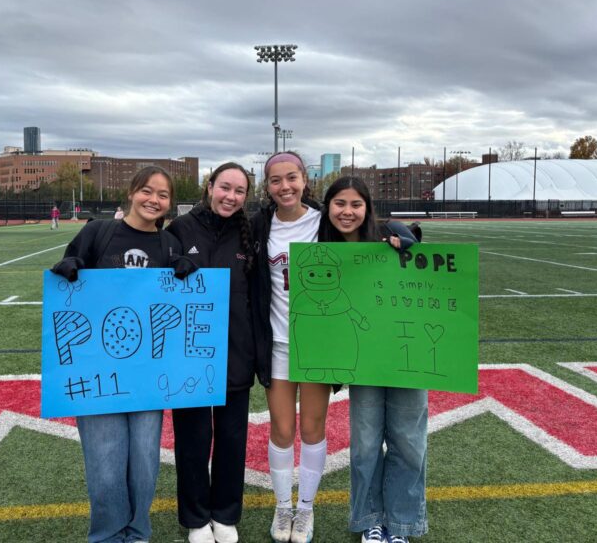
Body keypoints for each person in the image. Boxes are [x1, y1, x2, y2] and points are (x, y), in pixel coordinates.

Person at [50, 166, 195, 543]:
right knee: (104, 464)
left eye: (163, 195)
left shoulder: (168, 245)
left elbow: (174, 309)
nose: (154, 200)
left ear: (169, 203)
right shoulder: (98, 231)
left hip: (146, 374)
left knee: (145, 464)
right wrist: (70, 267)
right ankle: (107, 536)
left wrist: (186, 273)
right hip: (97, 371)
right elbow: (69, 273)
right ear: (132, 192)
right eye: (148, 191)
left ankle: (137, 532)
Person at [318, 176, 427, 543]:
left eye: (355, 204)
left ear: (367, 208)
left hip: (405, 355)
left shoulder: (388, 233)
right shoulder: (323, 248)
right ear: (328, 207)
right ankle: (369, 520)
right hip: (364, 362)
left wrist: (407, 249)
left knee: (409, 443)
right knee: (365, 445)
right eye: (339, 204)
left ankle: (401, 524)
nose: (347, 212)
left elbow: (425, 266)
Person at [166, 162, 255, 543]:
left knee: (233, 440)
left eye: (239, 191)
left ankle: (225, 513)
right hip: (190, 356)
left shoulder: (251, 231)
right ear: (210, 186)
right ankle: (196, 518)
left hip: (237, 351)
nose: (230, 197)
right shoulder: (180, 229)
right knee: (193, 441)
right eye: (225, 187)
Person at [251, 151, 328, 543]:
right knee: (281, 429)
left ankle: (306, 509)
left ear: (305, 179)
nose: (285, 186)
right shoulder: (258, 226)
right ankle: (283, 508)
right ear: (267, 186)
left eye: (292, 177)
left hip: (315, 344)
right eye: (276, 180)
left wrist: (406, 232)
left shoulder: (325, 221)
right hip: (277, 343)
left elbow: (370, 232)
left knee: (313, 429)